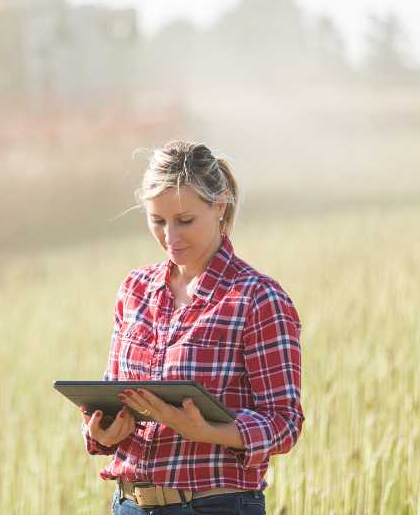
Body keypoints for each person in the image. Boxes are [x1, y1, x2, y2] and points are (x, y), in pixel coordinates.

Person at [79, 140, 304, 515]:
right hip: (129, 504)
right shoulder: (134, 290)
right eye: (157, 220)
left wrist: (208, 432)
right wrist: (101, 433)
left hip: (216, 505)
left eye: (185, 220)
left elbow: (284, 423)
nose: (170, 236)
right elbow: (111, 395)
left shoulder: (257, 298)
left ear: (220, 204)